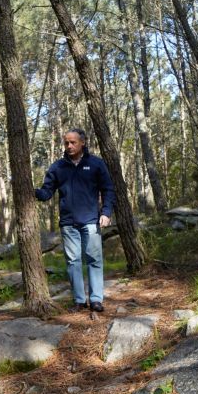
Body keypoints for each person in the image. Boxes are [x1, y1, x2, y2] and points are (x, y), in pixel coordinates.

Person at [34, 129, 115, 313]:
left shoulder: (96, 164)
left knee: (94, 259)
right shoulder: (57, 167)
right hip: (68, 223)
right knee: (73, 262)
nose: (69, 146)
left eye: (73, 142)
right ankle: (79, 300)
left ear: (82, 143)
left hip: (91, 220)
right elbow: (47, 193)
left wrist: (106, 212)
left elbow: (108, 189)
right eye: (66, 143)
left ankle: (96, 300)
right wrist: (33, 192)